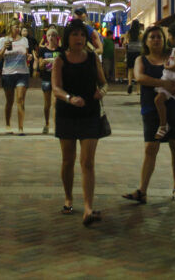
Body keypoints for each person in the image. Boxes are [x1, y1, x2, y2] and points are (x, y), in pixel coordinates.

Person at [123, 23, 175, 205]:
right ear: (146, 41)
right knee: (151, 148)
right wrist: (164, 83)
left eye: (159, 36)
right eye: (152, 37)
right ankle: (142, 190)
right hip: (151, 108)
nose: (156, 40)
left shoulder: (174, 55)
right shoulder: (141, 60)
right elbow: (140, 78)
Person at [52, 19, 107, 226]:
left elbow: (103, 83)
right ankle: (68, 198)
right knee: (68, 160)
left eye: (82, 35)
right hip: (66, 113)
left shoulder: (93, 58)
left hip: (90, 113)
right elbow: (56, 88)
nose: (79, 38)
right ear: (67, 37)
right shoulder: (60, 60)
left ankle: (88, 207)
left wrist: (102, 92)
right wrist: (69, 98)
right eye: (75, 34)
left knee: (87, 162)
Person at [153, 23, 175, 141]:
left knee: (158, 100)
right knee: (159, 100)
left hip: (173, 80)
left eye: (169, 36)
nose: (168, 38)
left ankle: (163, 124)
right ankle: (163, 125)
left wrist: (166, 66)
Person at [0, 21, 31, 134]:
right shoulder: (3, 40)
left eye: (20, 27)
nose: (18, 29)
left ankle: (21, 127)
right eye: (16, 27)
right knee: (10, 101)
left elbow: (26, 55)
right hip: (8, 73)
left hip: (22, 73)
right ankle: (8, 124)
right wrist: (3, 49)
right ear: (10, 27)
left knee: (20, 99)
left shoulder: (24, 40)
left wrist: (29, 56)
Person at [38, 27, 63, 134]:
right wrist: (43, 63)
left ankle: (56, 125)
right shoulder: (43, 50)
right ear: (46, 38)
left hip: (57, 79)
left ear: (57, 37)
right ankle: (46, 123)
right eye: (49, 35)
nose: (51, 38)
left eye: (53, 35)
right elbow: (40, 66)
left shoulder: (60, 50)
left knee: (55, 103)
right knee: (47, 104)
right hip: (46, 78)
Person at [124, 21, 143, 94]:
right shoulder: (140, 33)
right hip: (138, 52)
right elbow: (142, 43)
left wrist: (126, 50)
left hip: (130, 52)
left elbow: (125, 42)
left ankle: (129, 84)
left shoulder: (128, 33)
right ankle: (138, 90)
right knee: (138, 70)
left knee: (130, 70)